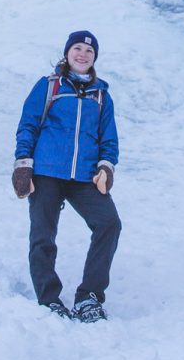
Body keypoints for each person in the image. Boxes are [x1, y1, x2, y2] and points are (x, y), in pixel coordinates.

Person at [12, 30, 121, 322]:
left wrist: (105, 168)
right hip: (47, 172)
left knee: (109, 224)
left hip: (84, 176)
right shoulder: (49, 86)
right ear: (67, 53)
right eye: (77, 48)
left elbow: (109, 140)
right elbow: (28, 125)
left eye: (89, 50)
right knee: (43, 235)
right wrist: (23, 164)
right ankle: (49, 297)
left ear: (94, 57)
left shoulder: (101, 96)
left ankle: (89, 298)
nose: (83, 54)